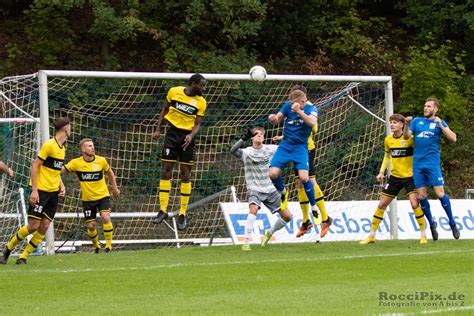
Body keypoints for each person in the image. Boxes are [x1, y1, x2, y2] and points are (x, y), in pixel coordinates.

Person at [1, 117, 70, 265]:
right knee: (33, 226)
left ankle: (23, 257)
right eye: (70, 127)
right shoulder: (49, 145)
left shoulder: (63, 148)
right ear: (66, 128)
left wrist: (61, 184)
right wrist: (34, 191)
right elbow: (35, 166)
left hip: (53, 193)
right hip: (41, 191)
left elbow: (54, 170)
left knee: (44, 226)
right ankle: (7, 249)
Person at [273, 85, 333, 239]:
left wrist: (300, 114)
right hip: (292, 146)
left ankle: (325, 218)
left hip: (306, 149)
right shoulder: (290, 106)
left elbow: (314, 128)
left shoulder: (311, 108)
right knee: (299, 184)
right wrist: (282, 137)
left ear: (303, 97)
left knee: (309, 181)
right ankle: (306, 221)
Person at [360, 114, 427, 244]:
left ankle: (423, 235)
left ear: (402, 125)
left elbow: (419, 153)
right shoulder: (388, 140)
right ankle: (371, 236)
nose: (392, 124)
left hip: (410, 177)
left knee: (414, 204)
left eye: (395, 122)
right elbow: (387, 157)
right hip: (395, 177)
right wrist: (381, 172)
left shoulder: (410, 139)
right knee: (382, 204)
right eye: (391, 122)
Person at [152, 73, 207, 230]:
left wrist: (191, 135)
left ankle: (182, 213)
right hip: (172, 134)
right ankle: (163, 210)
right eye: (201, 86)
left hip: (187, 138)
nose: (203, 89)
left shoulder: (201, 102)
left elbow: (197, 124)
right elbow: (164, 110)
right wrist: (158, 128)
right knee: (166, 170)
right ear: (193, 83)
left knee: (185, 174)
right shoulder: (174, 91)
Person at [404, 96, 459, 240]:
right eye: (425, 106)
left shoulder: (438, 122)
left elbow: (453, 138)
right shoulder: (416, 121)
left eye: (429, 106)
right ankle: (432, 224)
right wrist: (406, 124)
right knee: (421, 196)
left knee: (440, 193)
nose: (425, 108)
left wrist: (441, 125)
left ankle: (452, 222)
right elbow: (405, 137)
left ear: (435, 109)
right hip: (418, 164)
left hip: (432, 163)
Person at [230, 127, 292, 251]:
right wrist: (243, 138)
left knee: (287, 217)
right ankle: (246, 242)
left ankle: (269, 233)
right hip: (255, 189)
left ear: (264, 137)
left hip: (271, 189)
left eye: (261, 134)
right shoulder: (247, 152)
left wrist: (282, 138)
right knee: (253, 209)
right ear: (252, 137)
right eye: (256, 134)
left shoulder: (271, 149)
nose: (259, 136)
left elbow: (288, 145)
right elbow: (233, 150)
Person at [268, 89, 320, 224]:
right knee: (273, 174)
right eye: (291, 104)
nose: (291, 106)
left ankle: (314, 207)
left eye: (294, 104)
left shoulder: (311, 109)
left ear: (302, 101)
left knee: (304, 177)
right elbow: (277, 119)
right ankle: (284, 192)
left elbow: (312, 123)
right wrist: (273, 118)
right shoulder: (287, 106)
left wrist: (299, 111)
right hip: (286, 146)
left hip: (300, 148)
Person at [62, 139, 120, 253]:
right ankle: (97, 246)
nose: (92, 148)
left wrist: (114, 188)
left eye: (93, 146)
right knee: (91, 226)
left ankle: (108, 246)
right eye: (89, 146)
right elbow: (60, 171)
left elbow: (110, 173)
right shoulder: (76, 163)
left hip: (103, 196)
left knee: (105, 217)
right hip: (88, 200)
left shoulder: (101, 161)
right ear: (83, 149)